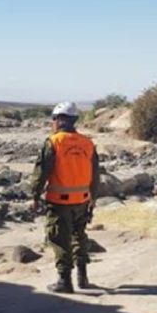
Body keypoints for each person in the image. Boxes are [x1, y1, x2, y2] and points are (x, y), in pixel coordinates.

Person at [30, 101, 100, 293]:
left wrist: (34, 195)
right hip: (82, 200)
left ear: (59, 120)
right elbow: (95, 173)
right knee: (80, 237)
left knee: (60, 239)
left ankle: (64, 281)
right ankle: (83, 277)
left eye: (53, 119)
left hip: (59, 201)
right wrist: (93, 198)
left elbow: (41, 171)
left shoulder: (54, 142)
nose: (52, 123)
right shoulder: (87, 143)